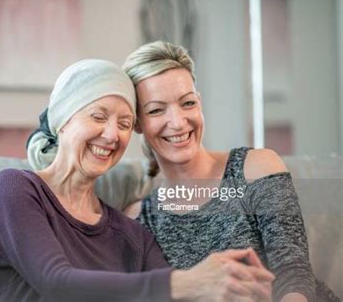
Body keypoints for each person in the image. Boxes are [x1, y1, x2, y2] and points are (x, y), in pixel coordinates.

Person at [0, 59, 274, 302]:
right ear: (62, 121)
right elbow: (57, 284)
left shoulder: (133, 236)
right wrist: (188, 282)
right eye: (98, 116)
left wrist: (234, 286)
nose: (111, 134)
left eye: (124, 124)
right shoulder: (17, 189)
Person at [122, 41, 340, 302]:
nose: (178, 122)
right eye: (156, 110)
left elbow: (292, 271)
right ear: (136, 122)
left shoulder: (255, 168)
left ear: (199, 103)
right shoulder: (138, 220)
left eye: (187, 103)